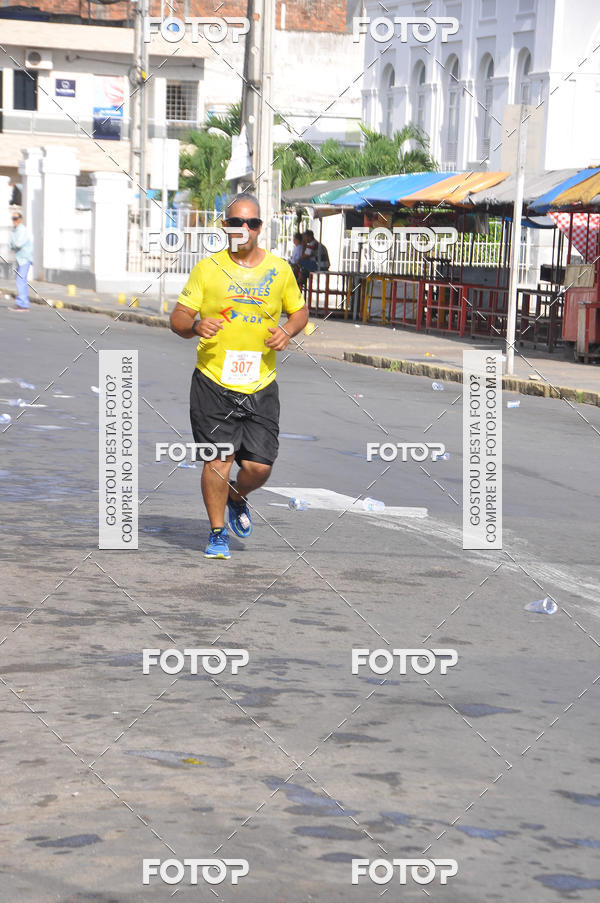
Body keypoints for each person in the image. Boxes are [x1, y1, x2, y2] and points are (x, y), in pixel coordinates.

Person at [170, 194, 309, 560]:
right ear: (225, 226)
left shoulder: (279, 270)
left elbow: (299, 312)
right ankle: (217, 534)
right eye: (236, 222)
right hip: (213, 380)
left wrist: (288, 331)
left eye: (252, 223)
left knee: (259, 467)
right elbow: (178, 318)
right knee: (218, 461)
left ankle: (236, 496)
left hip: (261, 383)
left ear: (261, 228)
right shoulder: (208, 269)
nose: (244, 229)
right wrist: (196, 326)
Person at [8, 212, 33, 312]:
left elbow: (18, 244)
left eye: (16, 218)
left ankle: (23, 305)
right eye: (13, 218)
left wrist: (13, 244)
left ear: (20, 219)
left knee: (20, 281)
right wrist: (13, 244)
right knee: (21, 281)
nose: (14, 220)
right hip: (20, 258)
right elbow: (10, 245)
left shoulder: (22, 230)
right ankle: (22, 303)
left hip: (25, 258)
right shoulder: (15, 230)